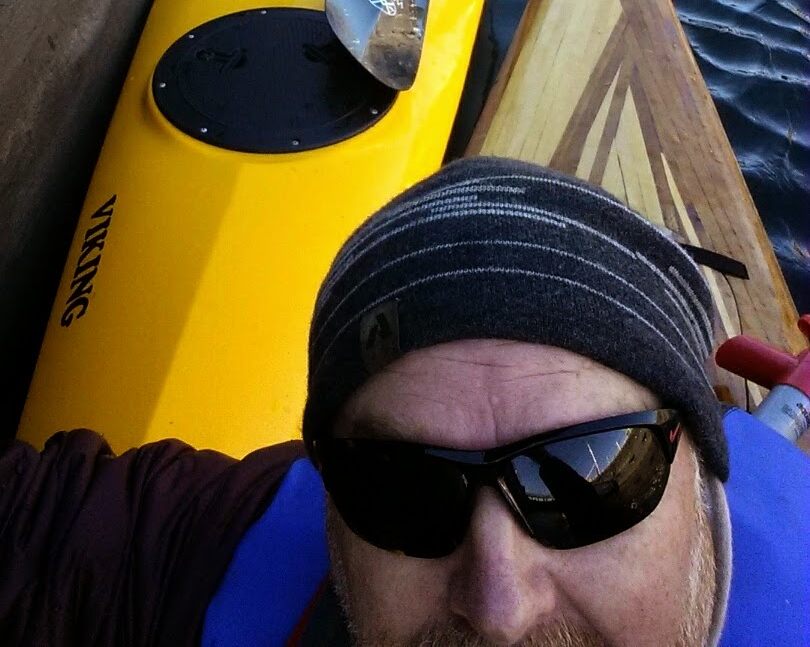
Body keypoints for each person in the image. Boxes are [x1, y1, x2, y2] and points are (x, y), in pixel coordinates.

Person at [2, 158, 808, 645]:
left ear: (702, 471)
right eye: (402, 489)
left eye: (591, 475)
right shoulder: (217, 543)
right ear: (332, 498)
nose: (499, 610)